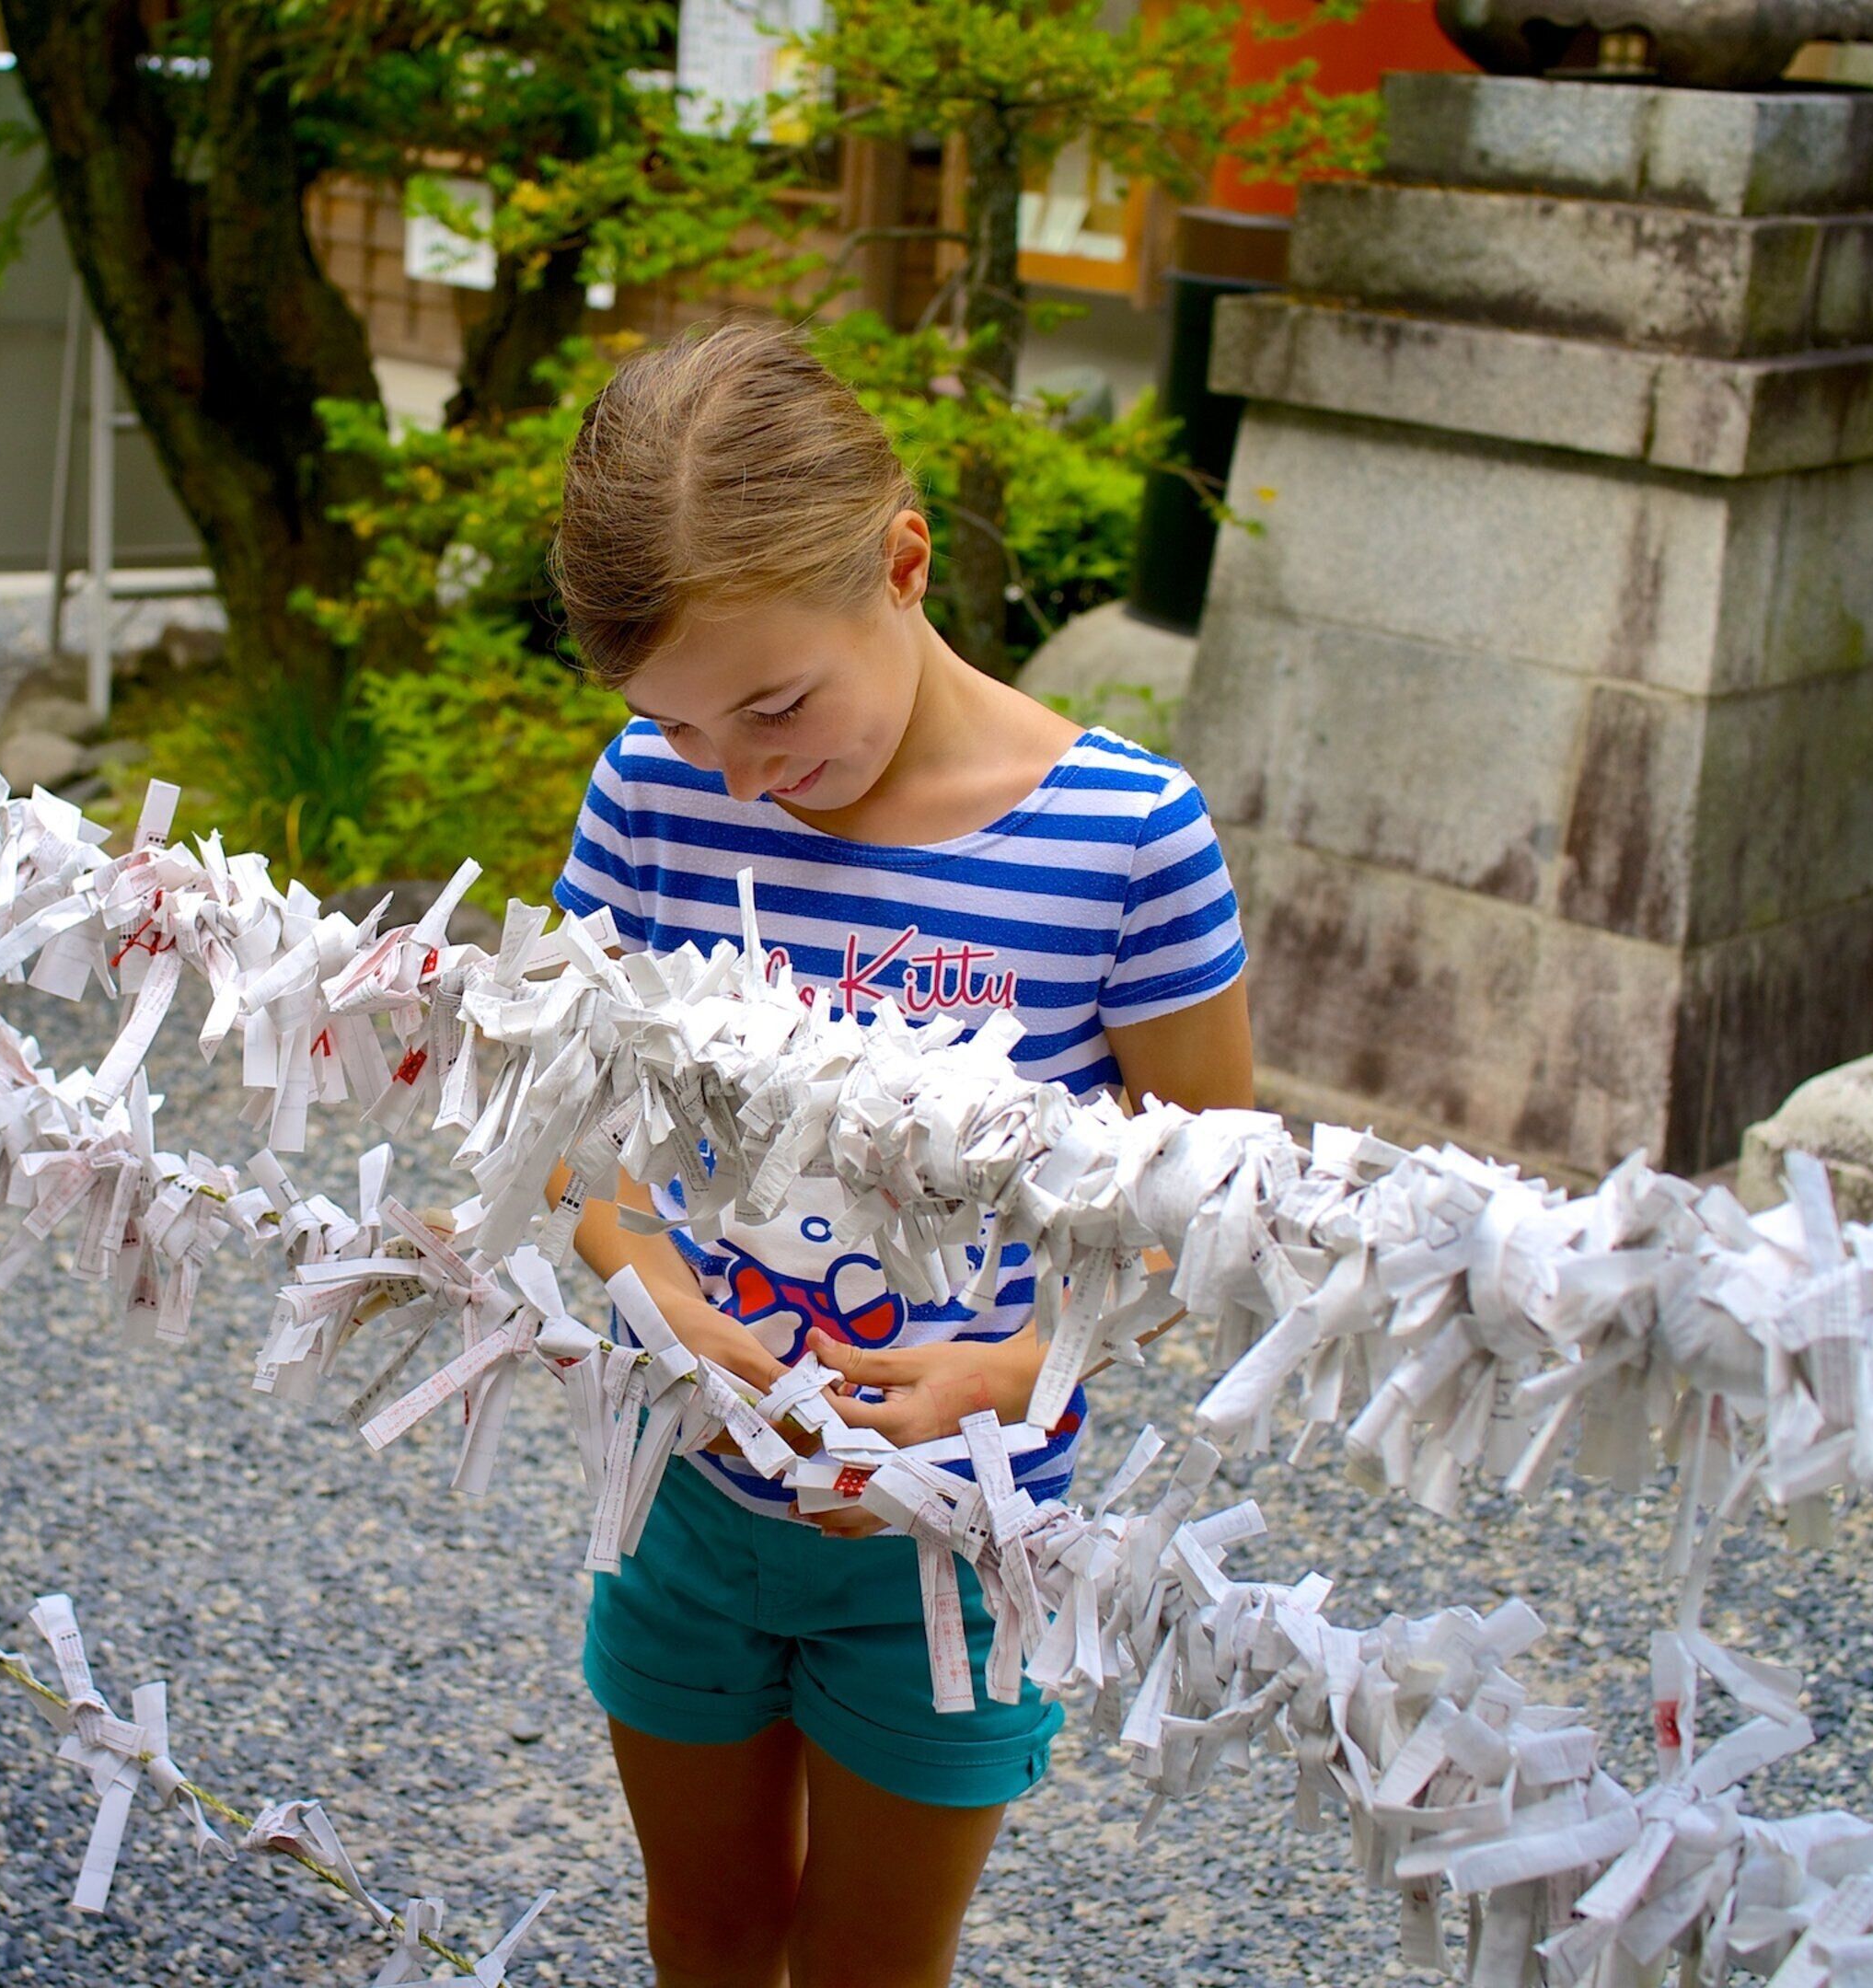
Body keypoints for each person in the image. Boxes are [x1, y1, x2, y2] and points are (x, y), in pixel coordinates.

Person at [545, 322, 1257, 1988]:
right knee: (705, 1934)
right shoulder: (658, 789)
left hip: (957, 1534)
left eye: (778, 706)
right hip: (686, 1503)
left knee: (875, 1961)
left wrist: (1022, 1366)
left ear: (906, 560)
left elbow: (1210, 1211)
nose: (747, 774)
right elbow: (573, 1141)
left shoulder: (1130, 841)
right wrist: (647, 1281)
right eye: (688, 725)